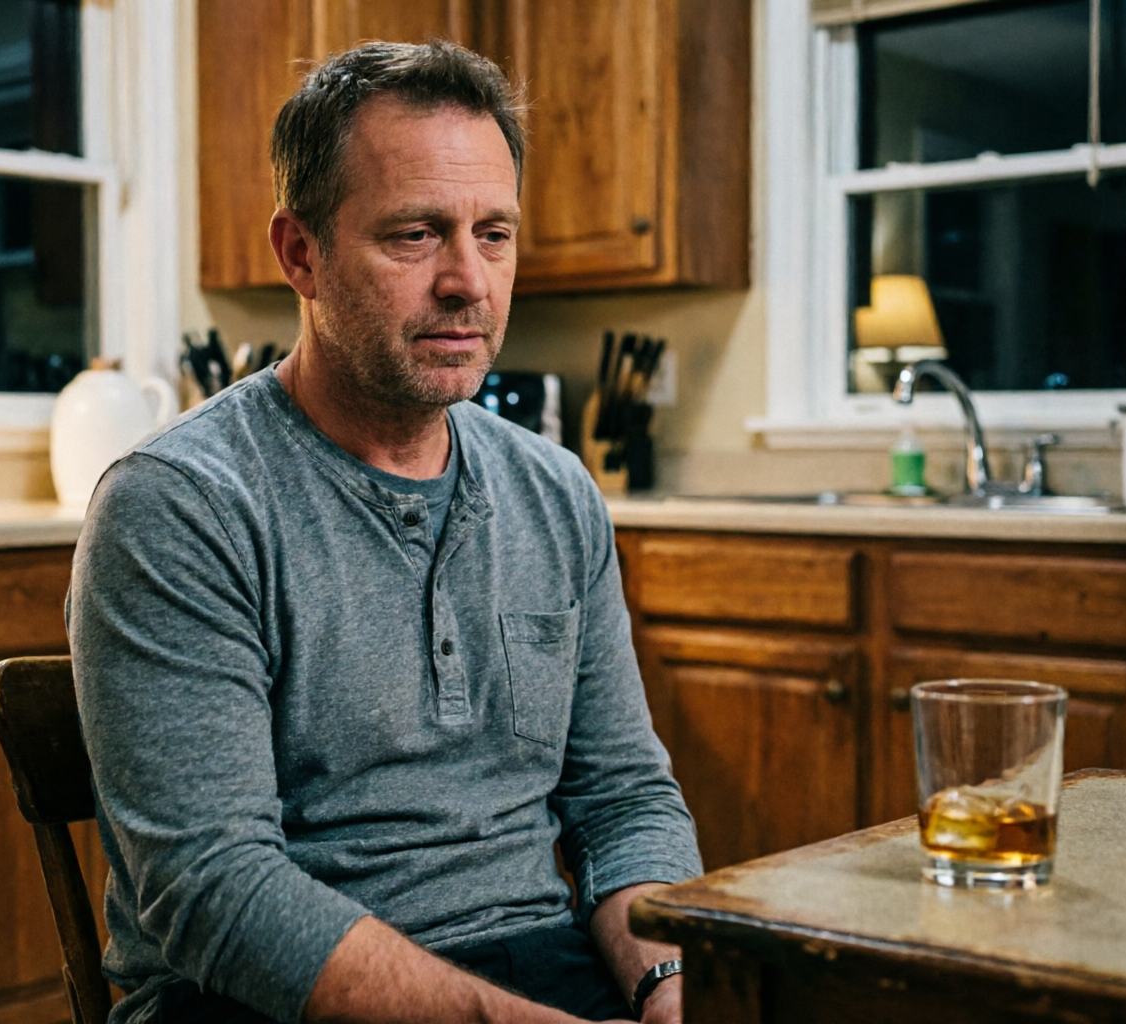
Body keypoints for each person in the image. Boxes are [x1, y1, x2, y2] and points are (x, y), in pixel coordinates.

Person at [67, 40, 702, 1024]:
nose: (467, 280)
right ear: (300, 253)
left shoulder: (556, 493)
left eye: (494, 233)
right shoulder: (180, 504)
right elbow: (213, 890)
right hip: (260, 998)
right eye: (415, 235)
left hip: (546, 969)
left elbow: (625, 801)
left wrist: (666, 987)